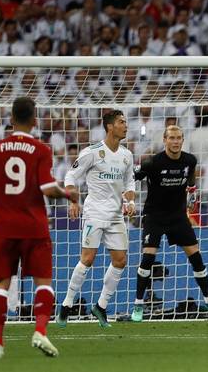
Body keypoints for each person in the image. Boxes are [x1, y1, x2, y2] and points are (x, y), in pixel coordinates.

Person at [0, 97, 78, 359]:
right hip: (34, 227)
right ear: (35, 120)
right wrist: (68, 194)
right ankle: (40, 331)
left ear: (11, 119)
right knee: (43, 282)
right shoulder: (40, 149)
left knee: (0, 284)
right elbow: (47, 188)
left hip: (3, 227)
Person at [130, 125, 208, 322]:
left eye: (178, 138)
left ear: (183, 140)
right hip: (155, 217)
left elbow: (190, 180)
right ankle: (138, 305)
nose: (175, 141)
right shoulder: (153, 162)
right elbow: (131, 178)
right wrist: (128, 198)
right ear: (164, 140)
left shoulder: (189, 160)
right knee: (147, 260)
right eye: (171, 138)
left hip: (178, 217)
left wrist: (192, 194)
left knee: (197, 259)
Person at [56, 110, 135, 328]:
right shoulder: (93, 152)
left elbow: (130, 183)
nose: (125, 126)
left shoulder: (127, 156)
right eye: (121, 122)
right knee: (88, 258)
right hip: (95, 213)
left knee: (120, 260)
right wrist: (73, 200)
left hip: (116, 214)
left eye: (125, 122)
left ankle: (100, 306)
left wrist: (130, 202)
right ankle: (66, 304)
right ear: (110, 126)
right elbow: (71, 175)